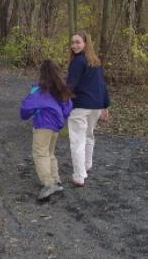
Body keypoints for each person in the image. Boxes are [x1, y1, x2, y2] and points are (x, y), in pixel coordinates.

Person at [20, 60, 73, 200]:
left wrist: (27, 115)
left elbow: (25, 108)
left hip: (43, 125)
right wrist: (60, 117)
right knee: (50, 153)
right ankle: (56, 180)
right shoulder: (60, 89)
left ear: (42, 73)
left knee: (40, 153)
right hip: (56, 126)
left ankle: (48, 183)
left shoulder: (39, 90)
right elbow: (68, 107)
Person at [67, 31, 110, 187]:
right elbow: (103, 85)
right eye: (72, 43)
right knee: (89, 136)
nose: (74, 45)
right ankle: (86, 165)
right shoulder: (95, 61)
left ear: (86, 43)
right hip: (95, 106)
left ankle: (79, 175)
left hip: (81, 106)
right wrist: (105, 104)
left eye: (78, 42)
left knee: (77, 140)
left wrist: (60, 100)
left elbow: (70, 85)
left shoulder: (78, 61)